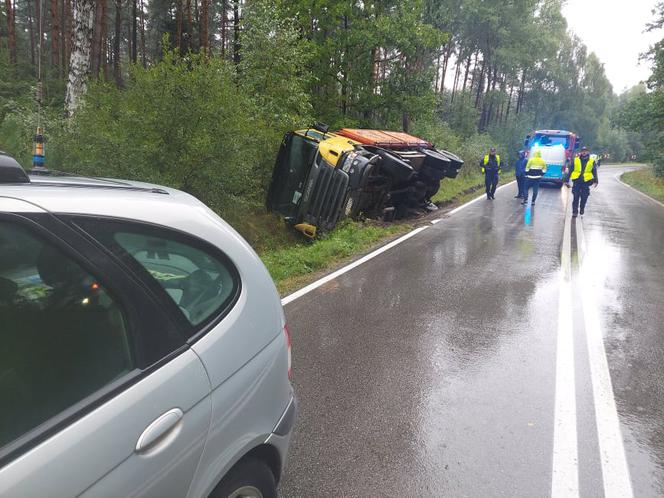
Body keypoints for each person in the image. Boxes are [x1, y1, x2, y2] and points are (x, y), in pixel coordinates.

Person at [568, 146, 598, 217]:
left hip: (586, 182)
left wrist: (596, 181)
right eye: (582, 151)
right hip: (577, 181)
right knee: (575, 197)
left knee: (584, 197)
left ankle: (582, 208)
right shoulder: (576, 160)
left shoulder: (591, 161)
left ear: (588, 152)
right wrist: (566, 180)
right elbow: (571, 170)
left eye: (585, 151)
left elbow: (594, 171)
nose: (584, 152)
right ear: (581, 152)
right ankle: (574, 212)